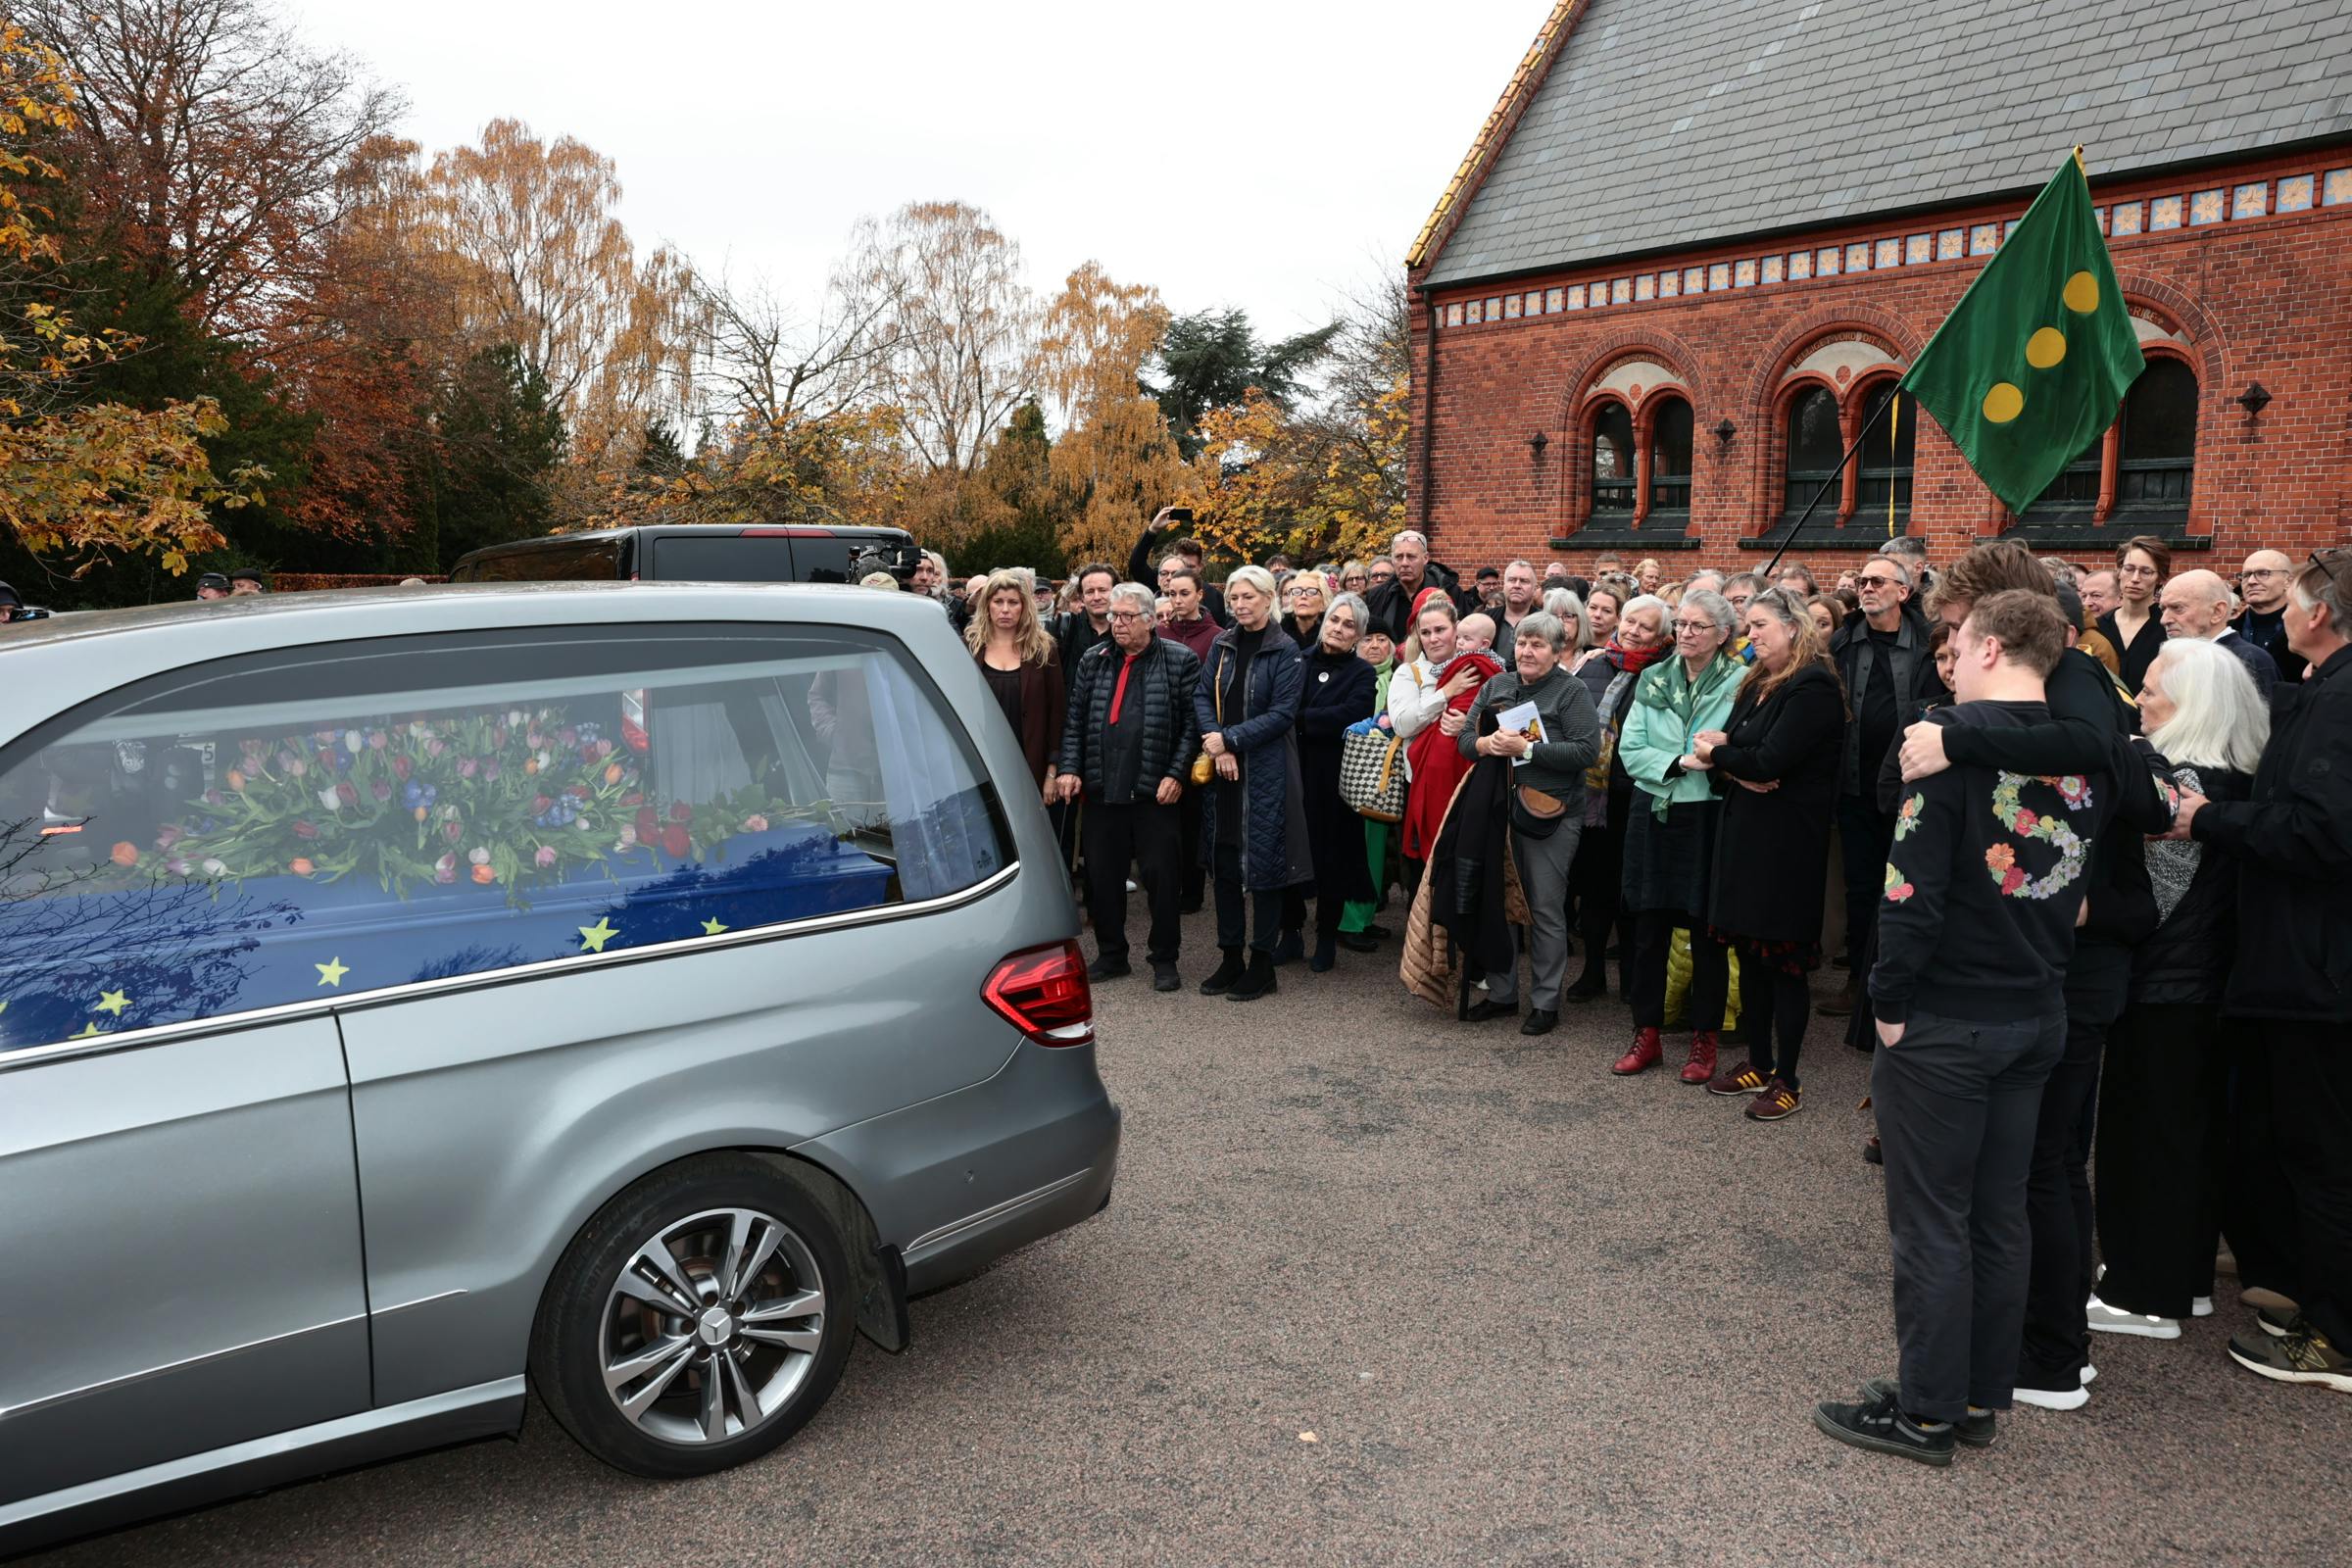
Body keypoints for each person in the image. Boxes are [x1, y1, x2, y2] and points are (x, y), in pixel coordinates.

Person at [1813, 589, 2092, 1466]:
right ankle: (1972, 1394)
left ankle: (1927, 1412)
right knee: (1997, 1215)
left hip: (1949, 1021)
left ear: (1992, 648)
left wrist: (1887, 1008)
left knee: (1932, 1220)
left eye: (1962, 643)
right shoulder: (2081, 762)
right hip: (2035, 1009)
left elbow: (1909, 900)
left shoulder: (1946, 759)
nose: (1953, 658)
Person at [1896, 542, 2174, 1412]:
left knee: (2030, 1177)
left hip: (2044, 967)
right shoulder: (2021, 706)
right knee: (2014, 1183)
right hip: (2041, 966)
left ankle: (2044, 1356)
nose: (1947, 649)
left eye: (1955, 630)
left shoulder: (2075, 679)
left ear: (1994, 627)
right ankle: (1999, 1367)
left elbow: (2102, 754)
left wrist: (1958, 733)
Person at [2174, 547, 2352, 1395]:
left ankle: (2336, 1339)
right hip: (2306, 966)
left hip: (2318, 972)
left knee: (2324, 1154)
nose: (2276, 614)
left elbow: (2317, 834)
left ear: (2319, 613)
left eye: (2293, 602)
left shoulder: (2343, 698)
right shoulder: (2323, 687)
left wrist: (2211, 818)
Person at [2091, 639, 2268, 1338]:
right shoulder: (2238, 772)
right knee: (2189, 1140)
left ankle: (2145, 1294)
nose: (2142, 703)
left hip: (2168, 984)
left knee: (2146, 1142)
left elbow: (2158, 899)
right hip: (2209, 982)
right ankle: (2183, 1280)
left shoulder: (2184, 782)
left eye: (2155, 693)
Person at [1692, 588, 1847, 1120]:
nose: (1749, 636)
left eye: (1759, 626)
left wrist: (1727, 756)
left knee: (1783, 965)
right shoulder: (1758, 681)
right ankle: (1758, 1062)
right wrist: (1735, 760)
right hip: (1745, 833)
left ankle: (1788, 1078)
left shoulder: (1814, 687)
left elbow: (1769, 759)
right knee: (1750, 956)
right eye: (1748, 626)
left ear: (1793, 628)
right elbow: (1743, 754)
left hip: (1786, 845)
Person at [1448, 612, 1601, 1035]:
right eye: (1522, 643)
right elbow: (1464, 741)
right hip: (1496, 811)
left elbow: (1588, 751)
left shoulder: (1571, 692)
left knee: (1544, 909)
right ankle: (1501, 994)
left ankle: (1545, 1002)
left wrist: (1528, 748)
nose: (1528, 651)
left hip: (1549, 814)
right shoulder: (1497, 684)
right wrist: (1486, 742)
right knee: (1496, 903)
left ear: (1556, 651)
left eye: (1538, 644)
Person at [1612, 590, 1741, 1082]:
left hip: (1707, 813)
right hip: (1655, 811)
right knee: (1648, 931)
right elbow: (1632, 748)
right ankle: (1646, 1034)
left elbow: (1735, 746)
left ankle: (1704, 1042)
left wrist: (1713, 758)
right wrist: (1683, 761)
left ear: (1723, 634)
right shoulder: (1653, 677)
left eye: (1698, 626)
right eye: (1682, 624)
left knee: (1706, 934)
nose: (1686, 633)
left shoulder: (1739, 682)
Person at [1055, 583, 1201, 991]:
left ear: (1150, 620)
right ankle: (1112, 954)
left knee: (1161, 878)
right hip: (1104, 789)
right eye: (1114, 616)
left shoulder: (1179, 660)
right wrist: (1070, 767)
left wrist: (1176, 774)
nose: (1116, 623)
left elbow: (1192, 726)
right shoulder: (1093, 658)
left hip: (1155, 790)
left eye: (1125, 617)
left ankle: (1164, 959)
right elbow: (1075, 720)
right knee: (1103, 877)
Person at [1824, 555, 1936, 1016]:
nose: (1866, 588)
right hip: (1854, 784)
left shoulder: (1929, 642)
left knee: (1907, 885)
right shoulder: (1844, 638)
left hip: (1911, 786)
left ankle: (1899, 979)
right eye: (1862, 581)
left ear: (1903, 592)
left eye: (1877, 581)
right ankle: (1857, 979)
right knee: (1861, 884)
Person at [1195, 565, 1310, 1004]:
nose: (1240, 605)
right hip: (1223, 771)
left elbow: (1283, 714)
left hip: (1266, 771)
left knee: (1264, 866)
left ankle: (1262, 964)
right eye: (1235, 599)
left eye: (1248, 597)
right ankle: (1230, 957)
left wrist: (1231, 739)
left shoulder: (1286, 651)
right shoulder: (1222, 645)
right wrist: (1218, 746)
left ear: (1268, 598)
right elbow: (1202, 697)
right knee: (1223, 862)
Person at [1566, 593, 1669, 1002]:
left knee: (1633, 896)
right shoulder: (1591, 666)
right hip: (1592, 800)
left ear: (1661, 635)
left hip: (1636, 798)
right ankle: (1592, 972)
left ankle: (1632, 977)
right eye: (1629, 622)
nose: (1632, 631)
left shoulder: (1667, 673)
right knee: (1594, 891)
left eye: (1645, 627)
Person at [1287, 593, 1379, 972]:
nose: (1339, 629)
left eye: (1348, 625)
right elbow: (1281, 704)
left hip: (1334, 778)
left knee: (1332, 860)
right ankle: (1289, 934)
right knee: (1288, 854)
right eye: (1335, 620)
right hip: (1293, 771)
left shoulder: (1362, 672)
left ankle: (1326, 938)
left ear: (1357, 635)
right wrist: (1305, 717)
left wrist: (1302, 719)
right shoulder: (1298, 660)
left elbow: (1354, 713)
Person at [1392, 599, 1502, 898]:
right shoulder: (1408, 673)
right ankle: (1422, 940)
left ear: (1456, 630)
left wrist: (1472, 723)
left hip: (1468, 781)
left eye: (1440, 629)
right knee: (1425, 871)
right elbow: (1403, 724)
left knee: (1463, 865)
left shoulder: (1477, 664)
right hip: (1423, 783)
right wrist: (1445, 693)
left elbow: (1503, 711)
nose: (1433, 638)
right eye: (1425, 632)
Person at [965, 567, 1066, 808]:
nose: (1006, 609)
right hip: (982, 763)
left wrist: (1052, 772)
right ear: (987, 605)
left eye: (1013, 602)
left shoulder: (1044, 649)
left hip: (1031, 762)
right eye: (998, 601)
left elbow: (1057, 713)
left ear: (1024, 607)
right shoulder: (968, 647)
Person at [1347, 623, 1400, 941]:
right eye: (1368, 639)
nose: (1376, 645)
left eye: (1383, 639)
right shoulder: (1352, 675)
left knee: (1377, 850)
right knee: (1357, 847)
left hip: (1388, 777)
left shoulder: (1401, 677)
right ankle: (1349, 922)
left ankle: (1366, 916)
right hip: (1358, 773)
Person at [2154, 567, 2277, 701]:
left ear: (2217, 612)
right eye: (2162, 609)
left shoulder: (2250, 662)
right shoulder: (2175, 658)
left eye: (2177, 608)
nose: (2164, 620)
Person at [1364, 529, 1473, 645]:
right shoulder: (1377, 596)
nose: (1404, 563)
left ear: (1425, 558)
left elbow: (1465, 636)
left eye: (1411, 556)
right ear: (1392, 560)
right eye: (1399, 557)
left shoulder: (1450, 592)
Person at [1128, 509, 1226, 625]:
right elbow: (1136, 565)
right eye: (1164, 573)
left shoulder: (1212, 597)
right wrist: (1152, 530)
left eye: (1190, 567)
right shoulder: (1159, 582)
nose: (1170, 578)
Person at [2100, 535, 2172, 694]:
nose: (2135, 579)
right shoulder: (2098, 626)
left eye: (2146, 572)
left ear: (2160, 577)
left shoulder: (2169, 627)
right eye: (2129, 569)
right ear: (2119, 571)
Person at [2233, 548, 2308, 686]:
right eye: (2245, 575)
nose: (2251, 581)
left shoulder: (2309, 632)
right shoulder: (2229, 631)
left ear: (2288, 580)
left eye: (2263, 573)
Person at [1056, 563, 1118, 670]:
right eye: (1090, 592)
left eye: (1102, 590)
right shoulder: (1067, 629)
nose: (1097, 597)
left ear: (1116, 591)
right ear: (1082, 597)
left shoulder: (1128, 629)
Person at [1158, 565, 1221, 662]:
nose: (1177, 600)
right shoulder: (1159, 632)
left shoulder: (1216, 636)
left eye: (1184, 594)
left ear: (1199, 595)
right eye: (1173, 594)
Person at [1496, 561, 1541, 642]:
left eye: (1524, 581)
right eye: (1512, 580)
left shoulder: (1545, 623)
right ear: (1504, 585)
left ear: (1534, 589)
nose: (1517, 586)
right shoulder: (1486, 619)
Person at [1282, 571, 1329, 649]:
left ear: (1323, 602)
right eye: (1297, 591)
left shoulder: (1330, 633)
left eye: (1311, 592)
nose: (1303, 596)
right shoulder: (1278, 631)